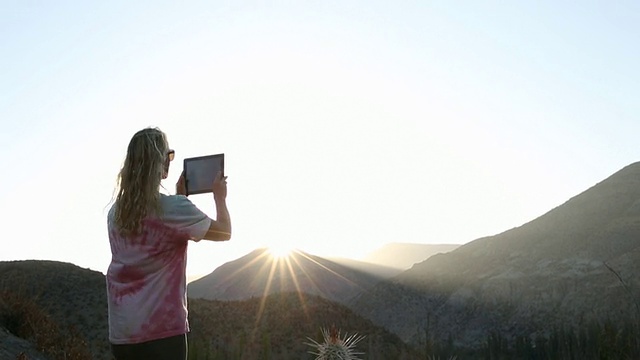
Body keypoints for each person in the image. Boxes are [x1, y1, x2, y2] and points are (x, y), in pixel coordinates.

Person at [106, 127, 231, 360]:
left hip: (123, 332)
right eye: (168, 155)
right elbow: (224, 232)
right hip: (162, 333)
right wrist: (219, 198)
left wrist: (180, 199)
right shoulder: (173, 209)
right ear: (159, 162)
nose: (170, 161)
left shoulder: (115, 214)